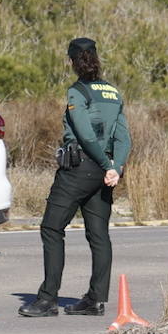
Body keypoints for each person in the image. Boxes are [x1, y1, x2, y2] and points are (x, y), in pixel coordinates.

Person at [19, 37, 132, 317]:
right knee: (99, 235)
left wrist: (107, 164)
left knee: (51, 227)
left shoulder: (76, 93)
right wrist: (115, 167)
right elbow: (124, 137)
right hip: (103, 174)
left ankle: (47, 299)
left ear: (72, 61)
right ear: (96, 58)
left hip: (80, 168)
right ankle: (95, 299)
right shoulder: (113, 93)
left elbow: (84, 133)